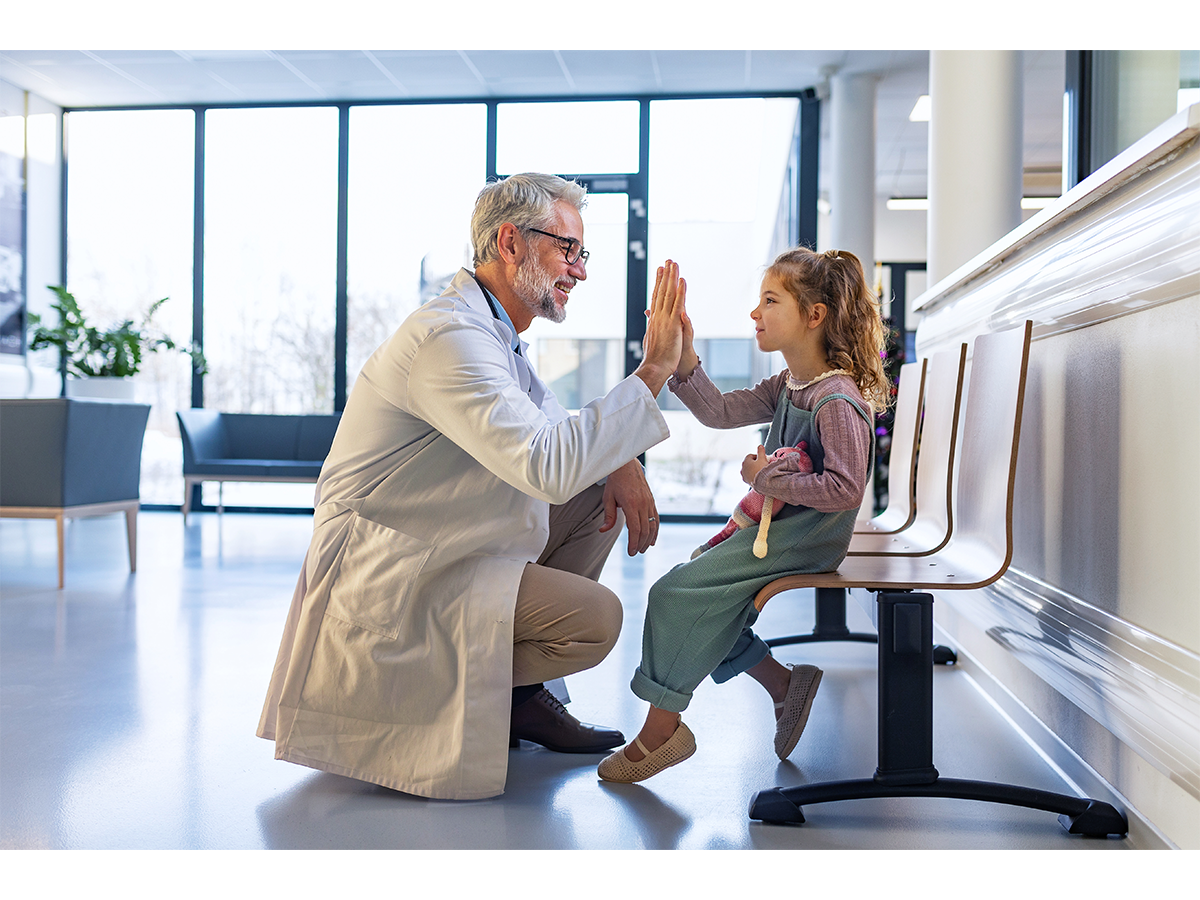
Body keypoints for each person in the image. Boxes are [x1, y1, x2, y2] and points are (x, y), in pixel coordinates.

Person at [257, 173, 688, 800]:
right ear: (510, 241)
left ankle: (515, 699)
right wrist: (652, 372)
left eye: (582, 254)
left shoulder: (495, 334)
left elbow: (549, 433)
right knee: (596, 622)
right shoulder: (449, 338)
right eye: (568, 250)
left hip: (442, 542)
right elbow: (545, 464)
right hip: (392, 567)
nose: (581, 272)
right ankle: (461, 691)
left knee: (598, 493)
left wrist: (618, 460)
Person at [597, 247, 890, 784]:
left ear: (814, 316)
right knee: (704, 588)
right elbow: (720, 412)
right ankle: (783, 685)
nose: (755, 314)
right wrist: (685, 357)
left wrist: (764, 478)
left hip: (808, 537)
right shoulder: (790, 385)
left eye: (770, 301)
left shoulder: (836, 398)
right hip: (782, 529)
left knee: (675, 594)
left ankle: (661, 731)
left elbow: (846, 490)